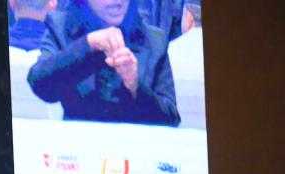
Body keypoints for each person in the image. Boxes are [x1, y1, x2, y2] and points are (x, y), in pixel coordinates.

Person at [28, 0, 179, 126]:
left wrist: (135, 87)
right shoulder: (61, 26)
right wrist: (88, 45)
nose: (117, 1)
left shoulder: (155, 40)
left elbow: (172, 119)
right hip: (78, 148)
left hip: (137, 150)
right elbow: (41, 85)